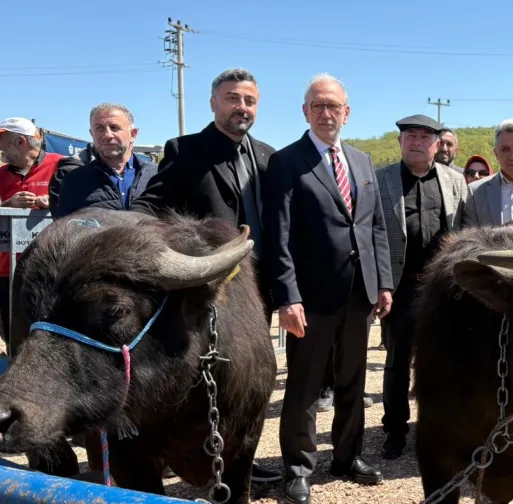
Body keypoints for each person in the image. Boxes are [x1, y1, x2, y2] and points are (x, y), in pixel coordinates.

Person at [130, 68, 283, 485]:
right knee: (197, 378)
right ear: (214, 103)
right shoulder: (186, 150)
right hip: (201, 291)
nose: (242, 107)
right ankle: (181, 455)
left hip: (254, 292)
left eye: (249, 100)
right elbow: (149, 205)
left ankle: (237, 460)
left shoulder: (269, 156)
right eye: (232, 98)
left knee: (247, 379)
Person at [265, 73, 392, 504]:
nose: (325, 113)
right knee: (303, 386)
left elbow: (375, 227)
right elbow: (278, 237)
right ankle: (298, 468)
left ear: (346, 112)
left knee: (353, 381)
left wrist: (384, 283)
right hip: (311, 299)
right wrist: (288, 297)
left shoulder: (361, 160)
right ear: (305, 112)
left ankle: (347, 457)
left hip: (360, 295)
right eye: (317, 105)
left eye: (333, 106)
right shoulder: (286, 162)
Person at [375, 114, 470, 460]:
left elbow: (467, 233)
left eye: (424, 137)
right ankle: (395, 430)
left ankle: (442, 426)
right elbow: (373, 236)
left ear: (437, 145)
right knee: (397, 362)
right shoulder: (380, 180)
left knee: (445, 360)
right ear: (400, 142)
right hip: (399, 289)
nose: (416, 142)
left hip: (442, 289)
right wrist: (381, 284)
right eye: (410, 136)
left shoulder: (456, 182)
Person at [0, 117, 60, 343]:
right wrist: (7, 205)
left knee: (46, 332)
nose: (1, 149)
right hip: (7, 271)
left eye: (3, 143)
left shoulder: (60, 165)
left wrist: (54, 201)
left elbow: (80, 204)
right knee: (12, 331)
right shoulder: (1, 174)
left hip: (50, 269)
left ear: (21, 142)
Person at [55, 104, 156, 217]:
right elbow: (65, 229)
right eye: (99, 128)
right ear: (92, 134)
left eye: (114, 127)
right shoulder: (73, 181)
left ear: (133, 134)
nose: (107, 135)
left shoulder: (157, 175)